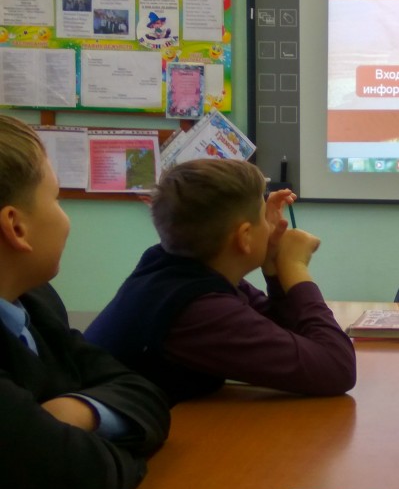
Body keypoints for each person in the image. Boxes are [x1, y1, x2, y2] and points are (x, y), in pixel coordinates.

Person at [0, 115, 170, 489]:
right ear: (16, 227)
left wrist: (80, 413)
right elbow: (78, 484)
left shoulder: (35, 302)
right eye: (57, 199)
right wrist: (110, 451)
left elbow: (144, 394)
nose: (67, 219)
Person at [85, 159, 357, 405]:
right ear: (245, 236)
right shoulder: (198, 309)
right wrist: (295, 267)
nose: (272, 226)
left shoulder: (178, 267)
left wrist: (273, 267)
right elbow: (337, 368)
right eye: (263, 216)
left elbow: (283, 335)